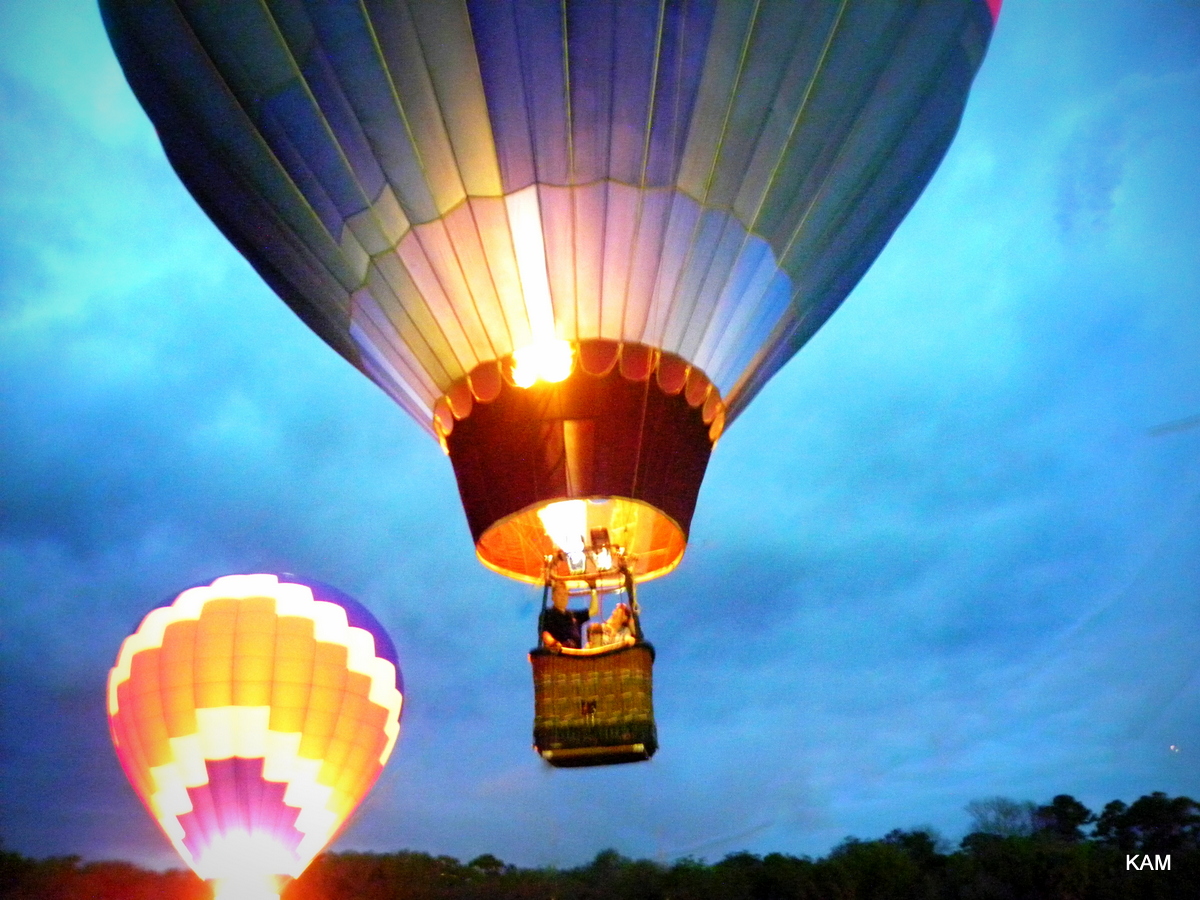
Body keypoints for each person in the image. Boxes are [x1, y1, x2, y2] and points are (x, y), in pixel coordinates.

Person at [540, 581, 599, 651]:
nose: (563, 597)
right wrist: (553, 643)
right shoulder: (548, 614)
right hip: (559, 656)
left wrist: (593, 589)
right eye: (559, 594)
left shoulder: (573, 615)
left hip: (575, 657)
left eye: (565, 594)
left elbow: (594, 610)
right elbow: (545, 633)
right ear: (553, 597)